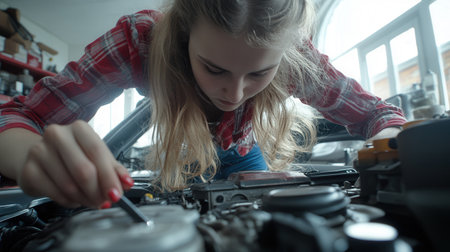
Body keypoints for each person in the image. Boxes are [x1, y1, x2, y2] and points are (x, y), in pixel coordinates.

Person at [0, 0, 406, 210]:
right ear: (183, 36)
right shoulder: (139, 39)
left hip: (246, 157)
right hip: (178, 154)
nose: (234, 95)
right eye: (214, 68)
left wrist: (392, 148)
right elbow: (22, 115)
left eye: (260, 73)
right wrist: (30, 156)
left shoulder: (297, 57)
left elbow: (380, 114)